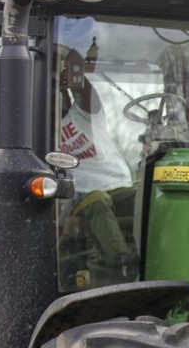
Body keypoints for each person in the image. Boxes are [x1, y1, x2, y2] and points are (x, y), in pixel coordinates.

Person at [57, 45, 136, 285]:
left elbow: (81, 83)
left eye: (56, 92)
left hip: (120, 186)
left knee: (151, 195)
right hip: (83, 199)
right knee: (98, 199)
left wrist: (65, 52)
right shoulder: (40, 136)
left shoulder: (84, 113)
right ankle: (124, 265)